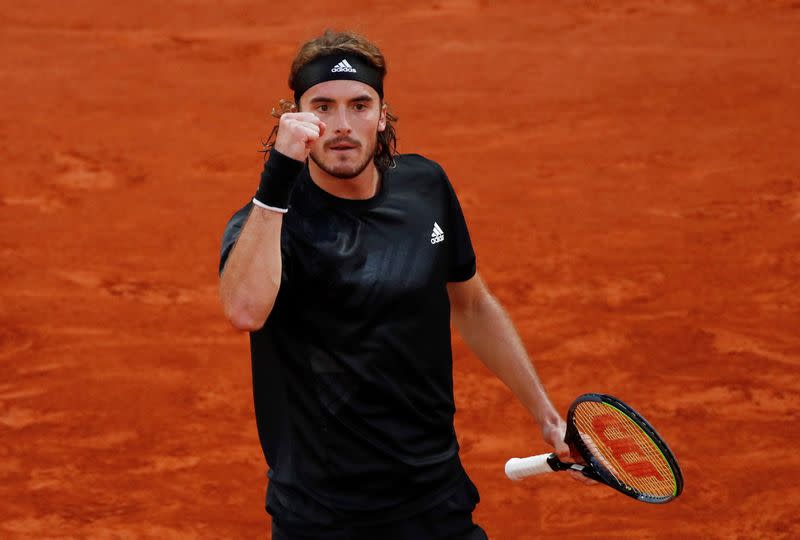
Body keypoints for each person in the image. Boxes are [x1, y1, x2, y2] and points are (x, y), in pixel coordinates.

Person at [219, 30, 576, 540]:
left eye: (360, 105)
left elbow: (472, 305)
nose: (342, 126)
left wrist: (545, 414)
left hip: (435, 497)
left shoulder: (425, 187)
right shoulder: (269, 223)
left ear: (382, 115)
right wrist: (276, 179)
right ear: (294, 118)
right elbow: (244, 311)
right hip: (323, 517)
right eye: (323, 106)